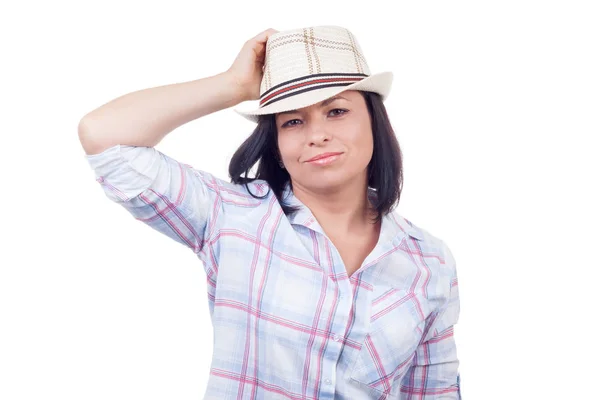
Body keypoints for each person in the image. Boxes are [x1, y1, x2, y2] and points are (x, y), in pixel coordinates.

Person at [79, 25, 461, 400]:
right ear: (276, 143)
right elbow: (103, 135)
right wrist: (233, 86)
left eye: (337, 111)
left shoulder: (429, 260)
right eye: (293, 120)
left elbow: (435, 392)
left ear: (375, 123)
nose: (316, 134)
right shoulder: (232, 216)